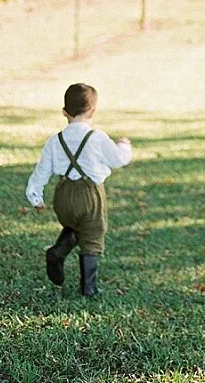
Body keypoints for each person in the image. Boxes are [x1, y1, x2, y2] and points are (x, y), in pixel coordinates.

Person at [26, 82, 131, 296]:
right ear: (93, 111)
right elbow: (118, 160)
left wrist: (35, 196)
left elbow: (42, 171)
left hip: (63, 197)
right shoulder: (97, 137)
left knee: (75, 224)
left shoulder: (55, 141)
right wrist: (124, 146)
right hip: (89, 195)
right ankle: (89, 288)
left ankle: (57, 252)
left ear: (64, 112)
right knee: (92, 233)